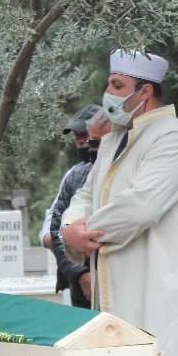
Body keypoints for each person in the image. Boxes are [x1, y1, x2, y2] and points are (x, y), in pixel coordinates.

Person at [61, 48, 178, 356]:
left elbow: (140, 206)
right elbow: (85, 194)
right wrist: (68, 230)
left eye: (117, 85)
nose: (108, 93)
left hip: (158, 286)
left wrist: (84, 234)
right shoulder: (113, 140)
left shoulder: (173, 137)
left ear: (144, 92)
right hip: (114, 290)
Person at [47, 106, 106, 308]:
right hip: (80, 289)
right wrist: (80, 274)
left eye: (85, 135)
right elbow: (56, 229)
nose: (81, 141)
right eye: (76, 136)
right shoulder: (75, 176)